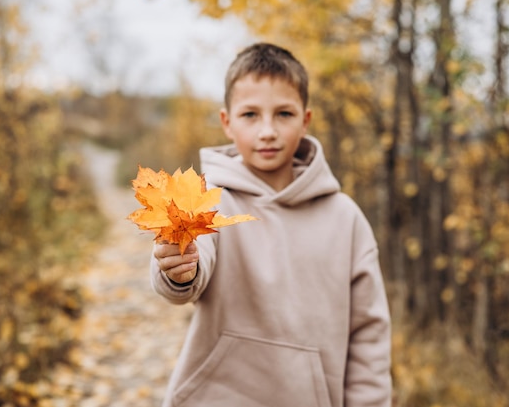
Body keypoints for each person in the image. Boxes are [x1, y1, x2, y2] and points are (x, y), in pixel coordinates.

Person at [151, 42, 392, 407]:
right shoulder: (208, 200)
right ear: (227, 123)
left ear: (305, 120)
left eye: (283, 114)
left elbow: (369, 336)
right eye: (250, 115)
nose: (267, 131)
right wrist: (178, 269)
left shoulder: (345, 219)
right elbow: (185, 277)